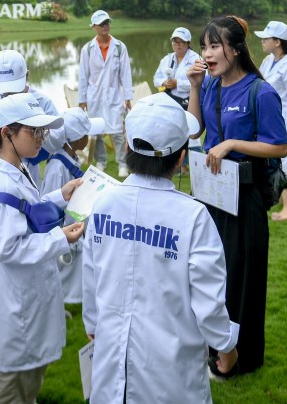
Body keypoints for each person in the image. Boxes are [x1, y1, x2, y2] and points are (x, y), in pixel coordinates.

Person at [82, 92, 239, 403]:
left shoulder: (103, 204)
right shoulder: (193, 217)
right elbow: (208, 302)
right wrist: (226, 346)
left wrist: (93, 323)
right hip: (170, 378)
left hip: (112, 371)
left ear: (127, 148)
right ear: (181, 158)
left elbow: (90, 279)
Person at [186, 15, 287, 376]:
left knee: (242, 276)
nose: (207, 53)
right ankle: (214, 345)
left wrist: (231, 143)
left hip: (244, 195)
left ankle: (239, 357)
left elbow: (278, 146)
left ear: (236, 49)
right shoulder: (210, 86)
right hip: (211, 193)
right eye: (204, 46)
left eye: (215, 45)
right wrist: (195, 87)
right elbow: (195, 129)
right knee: (209, 271)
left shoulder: (260, 92)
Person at [0, 93, 83, 404]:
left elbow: (28, 209)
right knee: (12, 392)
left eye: (43, 131)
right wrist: (60, 238)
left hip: (28, 301)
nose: (41, 138)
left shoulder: (18, 168)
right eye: (33, 131)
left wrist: (60, 196)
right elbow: (9, 248)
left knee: (29, 388)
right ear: (6, 133)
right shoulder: (2, 182)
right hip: (16, 313)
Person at [0, 49, 64, 333]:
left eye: (14, 90)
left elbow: (57, 140)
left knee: (25, 240)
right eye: (3, 91)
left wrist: (35, 137)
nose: (7, 96)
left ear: (27, 77)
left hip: (23, 174)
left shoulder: (41, 102)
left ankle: (39, 304)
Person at [42, 107, 104, 305]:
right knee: (59, 269)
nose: (89, 138)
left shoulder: (69, 160)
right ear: (77, 140)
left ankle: (63, 301)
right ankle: (54, 302)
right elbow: (49, 205)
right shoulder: (57, 167)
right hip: (61, 230)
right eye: (86, 135)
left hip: (72, 228)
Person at [256, 21, 287, 221]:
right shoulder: (269, 60)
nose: (262, 41)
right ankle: (277, 198)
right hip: (268, 122)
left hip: (284, 125)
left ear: (277, 42)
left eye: (266, 38)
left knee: (283, 164)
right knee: (273, 163)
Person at [78, 9, 133, 177]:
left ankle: (122, 163)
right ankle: (100, 161)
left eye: (107, 22)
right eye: (102, 24)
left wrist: (128, 96)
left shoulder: (119, 47)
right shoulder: (87, 49)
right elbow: (82, 76)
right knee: (96, 132)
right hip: (94, 96)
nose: (105, 26)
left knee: (117, 131)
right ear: (94, 26)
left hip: (114, 95)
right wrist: (82, 99)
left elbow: (126, 73)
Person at [153, 27, 201, 109]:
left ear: (188, 44)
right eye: (175, 41)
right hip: (168, 101)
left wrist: (177, 84)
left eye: (182, 42)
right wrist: (164, 83)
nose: (178, 45)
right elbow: (156, 79)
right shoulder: (166, 59)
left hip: (187, 103)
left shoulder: (197, 60)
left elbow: (202, 85)